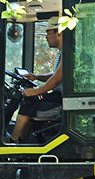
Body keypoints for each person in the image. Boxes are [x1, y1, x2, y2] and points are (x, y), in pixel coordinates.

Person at [10, 15, 64, 143]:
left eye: (48, 33)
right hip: (57, 96)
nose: (46, 37)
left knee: (29, 100)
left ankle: (13, 141)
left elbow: (57, 79)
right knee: (33, 100)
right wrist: (36, 77)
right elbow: (55, 74)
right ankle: (23, 141)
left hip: (61, 98)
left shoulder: (67, 52)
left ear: (59, 33)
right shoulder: (62, 52)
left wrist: (36, 91)